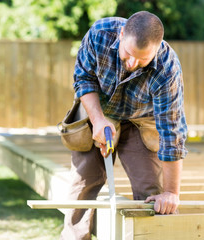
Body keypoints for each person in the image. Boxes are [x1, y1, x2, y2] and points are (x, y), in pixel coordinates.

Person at [60, 11, 188, 240]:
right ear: (120, 35)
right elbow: (84, 79)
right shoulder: (100, 34)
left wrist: (171, 193)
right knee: (83, 183)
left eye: (142, 60)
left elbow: (172, 133)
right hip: (98, 109)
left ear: (156, 51)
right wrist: (98, 121)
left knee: (150, 191)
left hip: (139, 120)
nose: (132, 63)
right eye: (128, 54)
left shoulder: (167, 69)